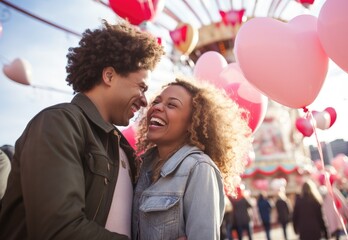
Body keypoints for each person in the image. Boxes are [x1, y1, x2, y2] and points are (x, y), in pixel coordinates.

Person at [0, 20, 164, 239]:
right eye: (141, 87)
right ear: (109, 76)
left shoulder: (121, 148)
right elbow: (58, 229)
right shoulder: (58, 123)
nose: (145, 101)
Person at [132, 77, 253, 239]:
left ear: (191, 123)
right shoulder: (140, 167)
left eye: (171, 105)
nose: (157, 107)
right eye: (157, 102)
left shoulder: (199, 168)